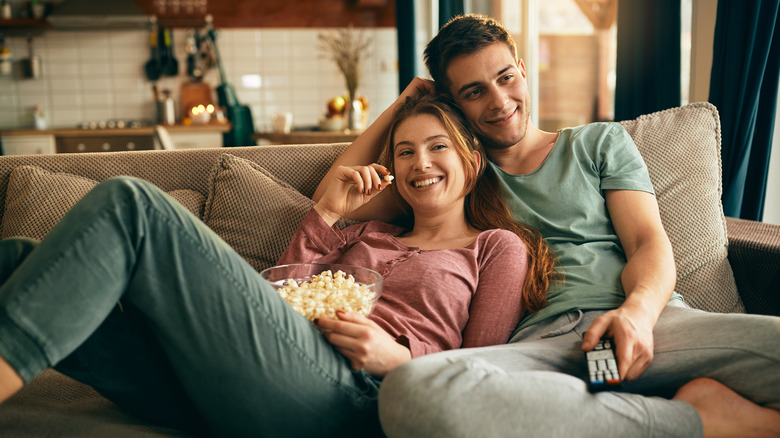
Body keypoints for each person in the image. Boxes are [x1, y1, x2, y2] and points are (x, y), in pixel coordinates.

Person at [315, 13, 780, 438]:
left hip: (650, 323)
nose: (499, 102)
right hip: (538, 349)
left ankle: (606, 413)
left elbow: (647, 242)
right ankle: (696, 420)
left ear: (521, 67)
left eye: (505, 77)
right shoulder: (454, 173)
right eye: (474, 92)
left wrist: (636, 314)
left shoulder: (599, 142)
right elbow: (334, 201)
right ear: (452, 103)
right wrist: (405, 105)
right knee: (411, 392)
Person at [0, 93, 556, 437]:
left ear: (473, 158)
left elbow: (489, 373)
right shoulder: (365, 233)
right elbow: (281, 293)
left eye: (438, 147)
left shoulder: (496, 248)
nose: (420, 163)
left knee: (133, 204)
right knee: (18, 258)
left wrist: (399, 359)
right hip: (249, 379)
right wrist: (329, 211)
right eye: (405, 151)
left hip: (350, 397)